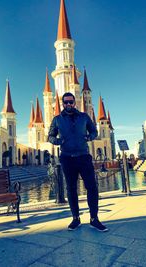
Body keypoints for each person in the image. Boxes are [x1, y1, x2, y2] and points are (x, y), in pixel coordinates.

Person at [48, 92, 108, 232]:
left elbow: (94, 132)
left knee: (92, 187)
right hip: (67, 158)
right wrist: (58, 141)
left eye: (71, 102)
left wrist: (89, 137)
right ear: (63, 104)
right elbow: (50, 136)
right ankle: (76, 218)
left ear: (75, 103)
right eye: (66, 102)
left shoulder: (84, 117)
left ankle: (94, 219)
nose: (68, 104)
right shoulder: (57, 119)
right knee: (71, 189)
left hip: (83, 156)